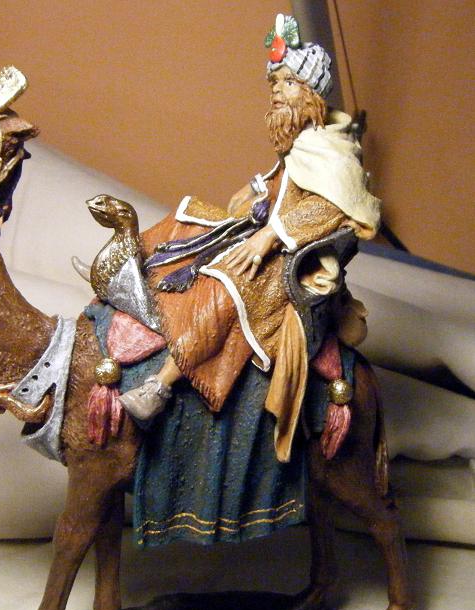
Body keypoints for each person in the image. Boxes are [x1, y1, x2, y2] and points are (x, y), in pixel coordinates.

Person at [119, 13, 380, 461]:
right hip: (267, 231)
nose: (277, 90)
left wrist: (270, 236)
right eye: (274, 82)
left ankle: (160, 386)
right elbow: (286, 182)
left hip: (297, 259)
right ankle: (128, 270)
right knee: (193, 215)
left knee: (229, 286)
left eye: (289, 82)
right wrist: (258, 190)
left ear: (312, 93)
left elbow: (328, 208)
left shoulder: (331, 151)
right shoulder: (302, 142)